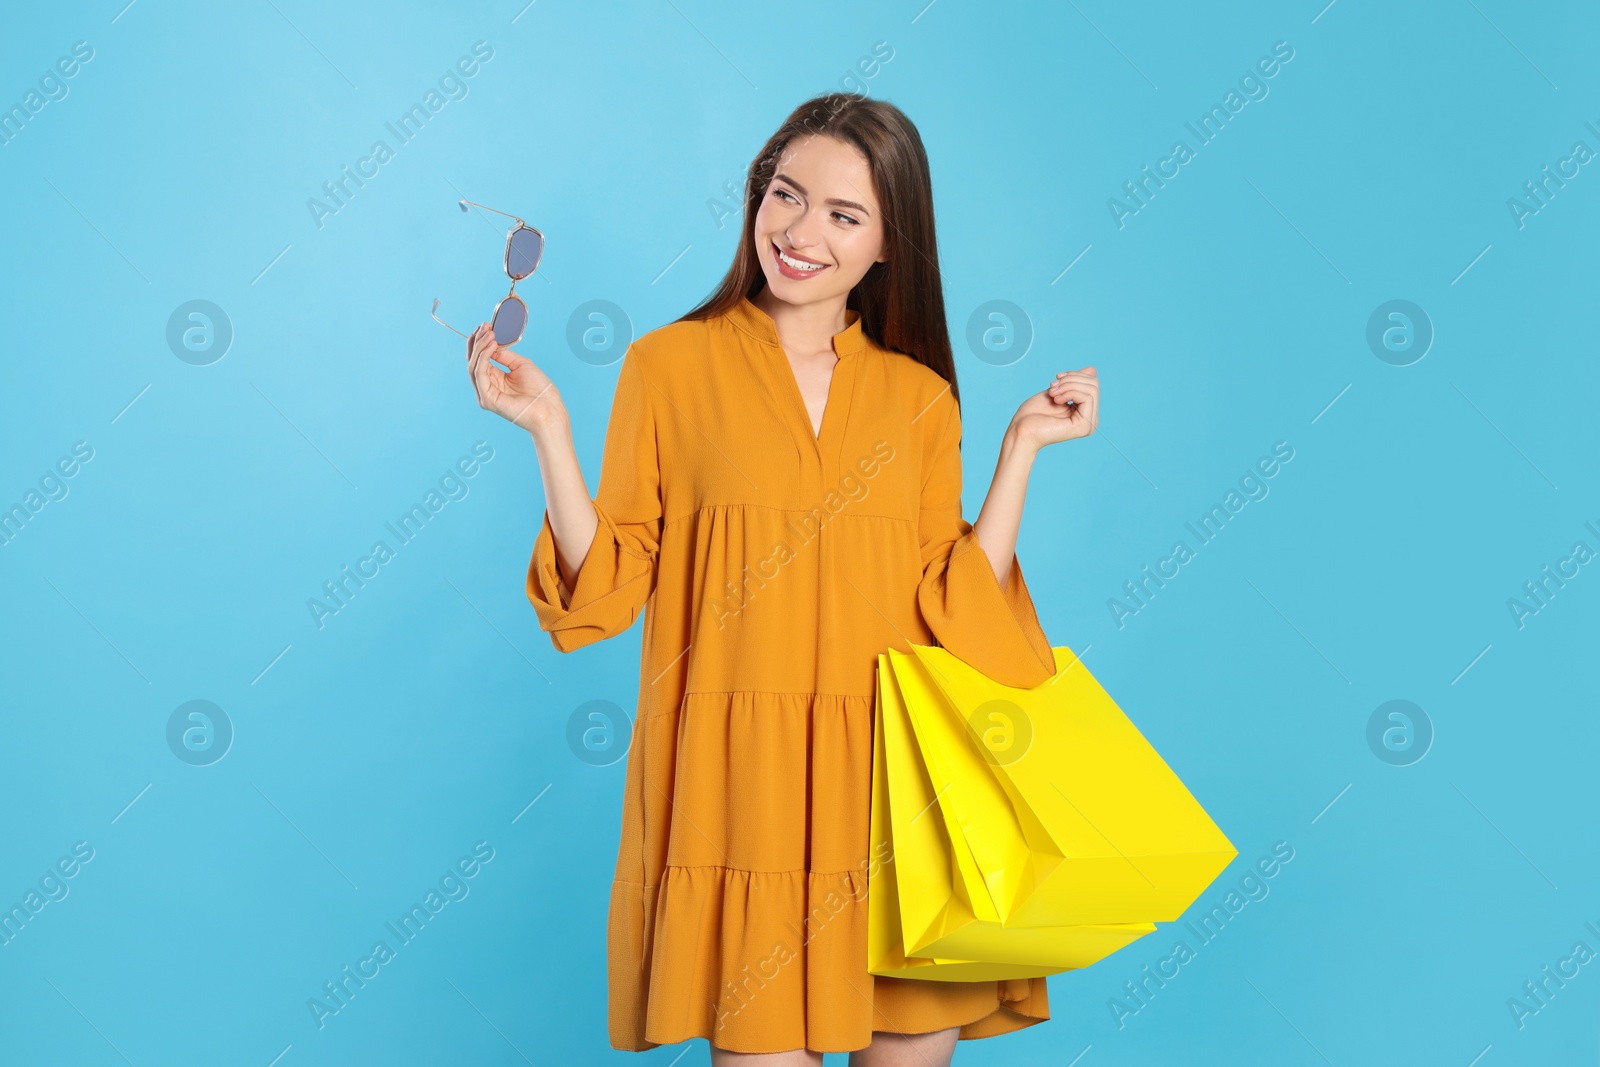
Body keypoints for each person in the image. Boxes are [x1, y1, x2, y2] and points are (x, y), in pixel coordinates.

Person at [464, 91, 1099, 1067]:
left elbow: (956, 602)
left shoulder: (918, 397)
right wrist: (550, 432)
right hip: (738, 793)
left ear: (891, 243)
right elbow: (611, 586)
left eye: (842, 215)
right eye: (784, 195)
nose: (799, 232)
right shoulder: (667, 367)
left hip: (889, 804)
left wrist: (1019, 448)